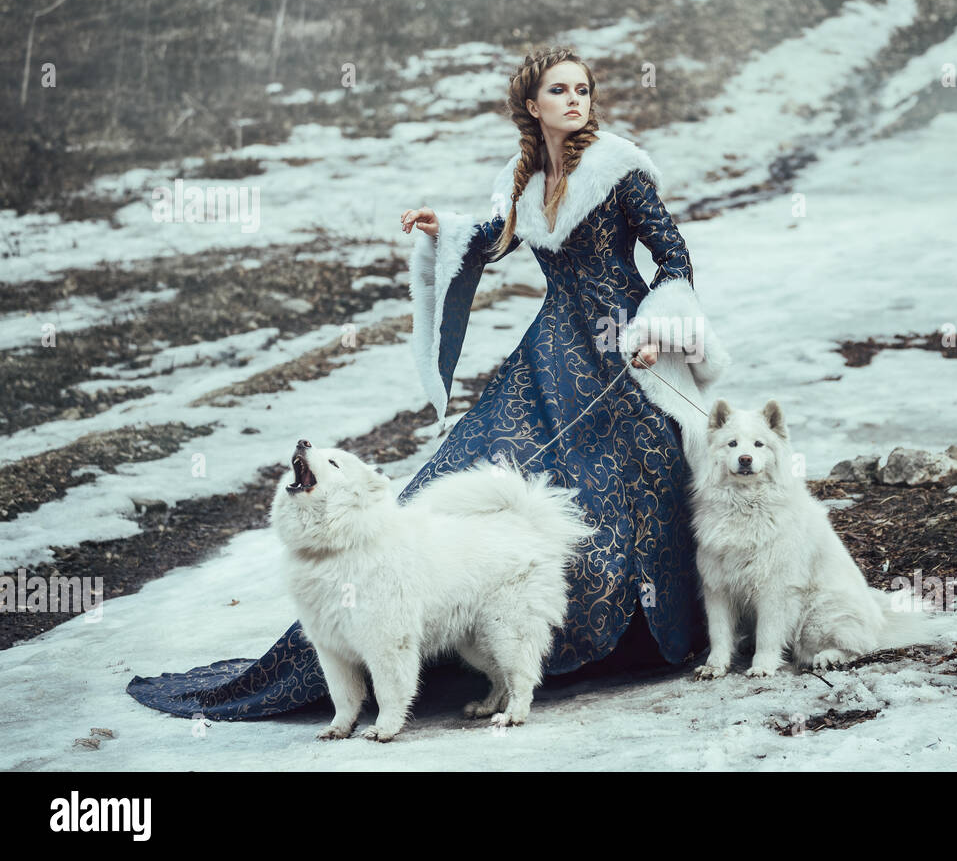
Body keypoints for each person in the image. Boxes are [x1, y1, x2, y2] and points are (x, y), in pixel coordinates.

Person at [126, 46, 732, 720]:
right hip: (551, 349)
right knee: (459, 472)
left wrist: (656, 330)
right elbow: (493, 239)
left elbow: (673, 254)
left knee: (624, 486)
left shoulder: (620, 169)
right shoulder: (523, 176)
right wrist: (444, 229)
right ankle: (376, 635)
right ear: (532, 106)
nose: (574, 100)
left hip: (625, 348)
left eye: (582, 90)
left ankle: (642, 644)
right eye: (558, 90)